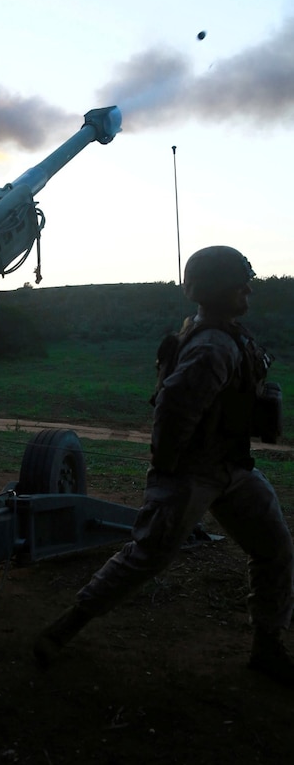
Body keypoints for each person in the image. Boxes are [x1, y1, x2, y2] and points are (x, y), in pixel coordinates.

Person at [34, 245, 294, 685]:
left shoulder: (222, 331)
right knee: (145, 557)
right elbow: (173, 410)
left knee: (276, 549)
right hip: (193, 474)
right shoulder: (213, 346)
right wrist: (171, 471)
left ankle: (267, 644)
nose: (248, 288)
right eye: (239, 282)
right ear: (217, 289)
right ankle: (65, 628)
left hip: (231, 469)